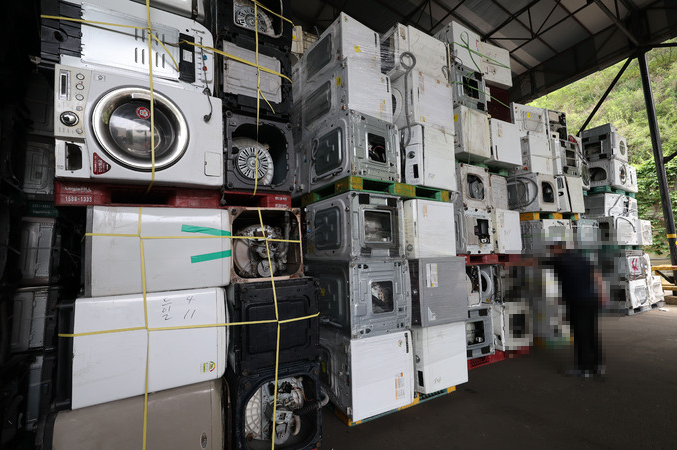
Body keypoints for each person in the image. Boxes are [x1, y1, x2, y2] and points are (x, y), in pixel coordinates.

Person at [543, 241, 609, 377]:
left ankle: (584, 369)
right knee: (592, 333)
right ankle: (598, 365)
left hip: (578, 303)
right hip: (592, 300)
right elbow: (597, 274)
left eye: (552, 250)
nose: (551, 253)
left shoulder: (559, 260)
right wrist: (603, 294)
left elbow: (537, 262)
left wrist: (511, 261)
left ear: (557, 249)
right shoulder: (581, 258)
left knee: (580, 335)